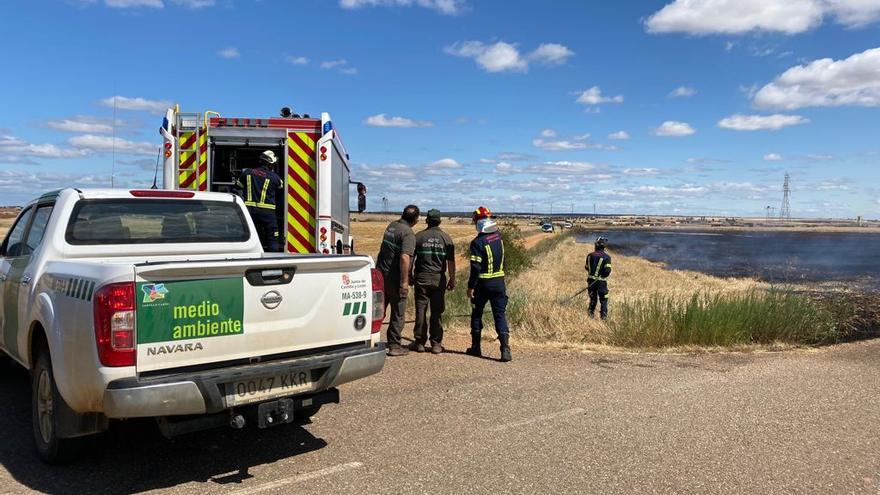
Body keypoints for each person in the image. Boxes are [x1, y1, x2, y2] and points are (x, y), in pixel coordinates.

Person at [465, 206, 511, 362]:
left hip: (482, 284)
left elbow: (475, 267)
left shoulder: (477, 242)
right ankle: (505, 350)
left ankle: (476, 348)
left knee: (476, 314)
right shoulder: (499, 238)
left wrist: (471, 286)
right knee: (500, 315)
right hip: (499, 283)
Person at [408, 209, 456, 354]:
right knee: (437, 311)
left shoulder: (419, 237)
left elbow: (411, 258)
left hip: (421, 278)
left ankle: (419, 342)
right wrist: (453, 279)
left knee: (421, 310)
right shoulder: (446, 238)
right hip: (438, 279)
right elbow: (451, 262)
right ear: (440, 221)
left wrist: (409, 275)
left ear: (427, 220)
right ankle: (436, 344)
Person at [376, 205, 420, 356]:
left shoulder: (392, 226)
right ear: (416, 220)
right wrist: (404, 282)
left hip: (381, 274)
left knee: (379, 309)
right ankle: (394, 345)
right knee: (398, 312)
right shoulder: (408, 234)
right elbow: (404, 257)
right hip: (394, 278)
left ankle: (367, 339)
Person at [235, 150, 284, 252]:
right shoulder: (275, 178)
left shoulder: (247, 173)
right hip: (268, 214)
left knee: (252, 238)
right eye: (273, 165)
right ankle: (271, 262)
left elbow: (238, 186)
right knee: (272, 239)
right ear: (269, 164)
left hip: (250, 212)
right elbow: (280, 188)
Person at [585, 236, 612, 319]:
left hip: (590, 282)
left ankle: (590, 316)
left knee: (593, 299)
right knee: (603, 300)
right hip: (601, 283)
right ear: (604, 246)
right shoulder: (606, 257)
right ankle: (603, 319)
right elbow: (607, 271)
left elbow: (586, 267)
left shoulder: (589, 255)